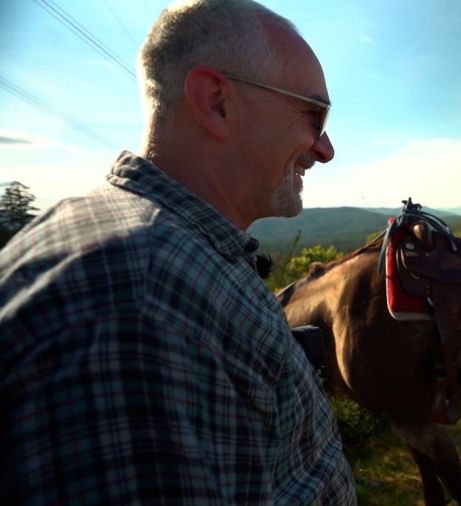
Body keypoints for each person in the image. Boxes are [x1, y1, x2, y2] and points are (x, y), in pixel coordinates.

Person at [0, 0, 356, 503]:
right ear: (216, 102)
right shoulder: (140, 299)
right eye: (314, 115)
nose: (325, 149)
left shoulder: (171, 259)